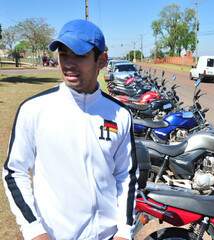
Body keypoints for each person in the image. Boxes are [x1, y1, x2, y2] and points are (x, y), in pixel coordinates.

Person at [3, 19, 137, 240]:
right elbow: (14, 172)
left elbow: (126, 176)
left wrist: (124, 232)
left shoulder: (120, 115)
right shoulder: (34, 109)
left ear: (101, 60)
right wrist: (34, 230)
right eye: (64, 54)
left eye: (80, 55)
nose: (68, 63)